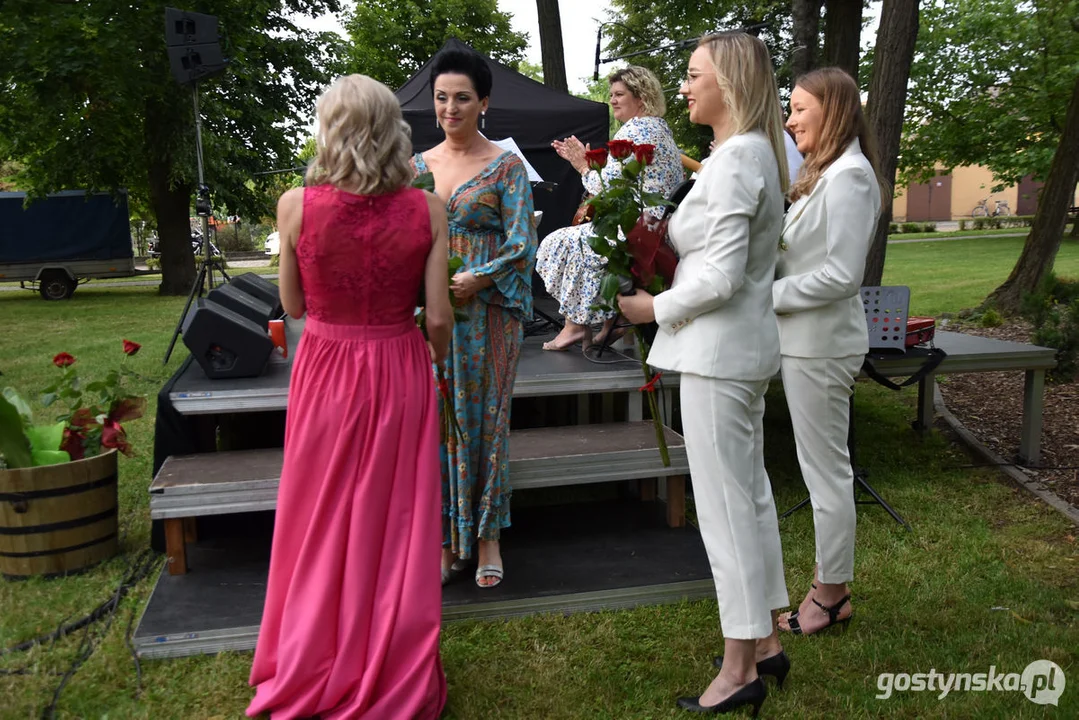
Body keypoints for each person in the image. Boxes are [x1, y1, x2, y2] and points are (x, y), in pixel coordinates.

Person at [247, 75, 451, 719]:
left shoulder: (295, 205)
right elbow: (439, 317)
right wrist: (435, 364)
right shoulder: (429, 208)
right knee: (396, 519)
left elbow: (294, 305)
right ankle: (392, 664)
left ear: (330, 131)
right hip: (398, 363)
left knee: (320, 514)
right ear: (394, 130)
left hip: (328, 368)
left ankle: (313, 654)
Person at [618, 32, 790, 716]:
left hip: (719, 354)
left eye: (693, 76)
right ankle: (767, 646)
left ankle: (737, 664)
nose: (683, 87)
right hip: (733, 352)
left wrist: (650, 305)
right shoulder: (743, 155)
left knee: (726, 513)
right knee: (748, 499)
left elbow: (716, 276)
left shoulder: (736, 159)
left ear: (732, 83)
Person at [410, 47, 538, 589]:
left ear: (483, 102)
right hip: (432, 315)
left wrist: (478, 278)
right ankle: (443, 538)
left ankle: (487, 537)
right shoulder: (416, 167)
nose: (450, 108)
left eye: (462, 98)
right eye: (442, 98)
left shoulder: (506, 168)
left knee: (486, 422)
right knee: (436, 422)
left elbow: (522, 241)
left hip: (488, 313)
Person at [774, 67, 886, 637]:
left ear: (834, 110)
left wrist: (764, 296)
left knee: (825, 474)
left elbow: (841, 276)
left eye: (798, 108)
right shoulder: (825, 175)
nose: (789, 119)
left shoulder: (850, 178)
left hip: (821, 347)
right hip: (803, 344)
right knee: (820, 470)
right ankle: (829, 583)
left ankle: (832, 593)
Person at [537, 66, 684, 350]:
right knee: (580, 236)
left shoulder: (637, 129)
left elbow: (609, 191)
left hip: (640, 231)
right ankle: (610, 325)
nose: (613, 100)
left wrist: (581, 165)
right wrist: (591, 165)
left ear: (640, 98)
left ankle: (575, 325)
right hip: (656, 227)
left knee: (560, 241)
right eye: (612, 94)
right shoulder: (658, 127)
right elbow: (625, 180)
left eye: (619, 94)